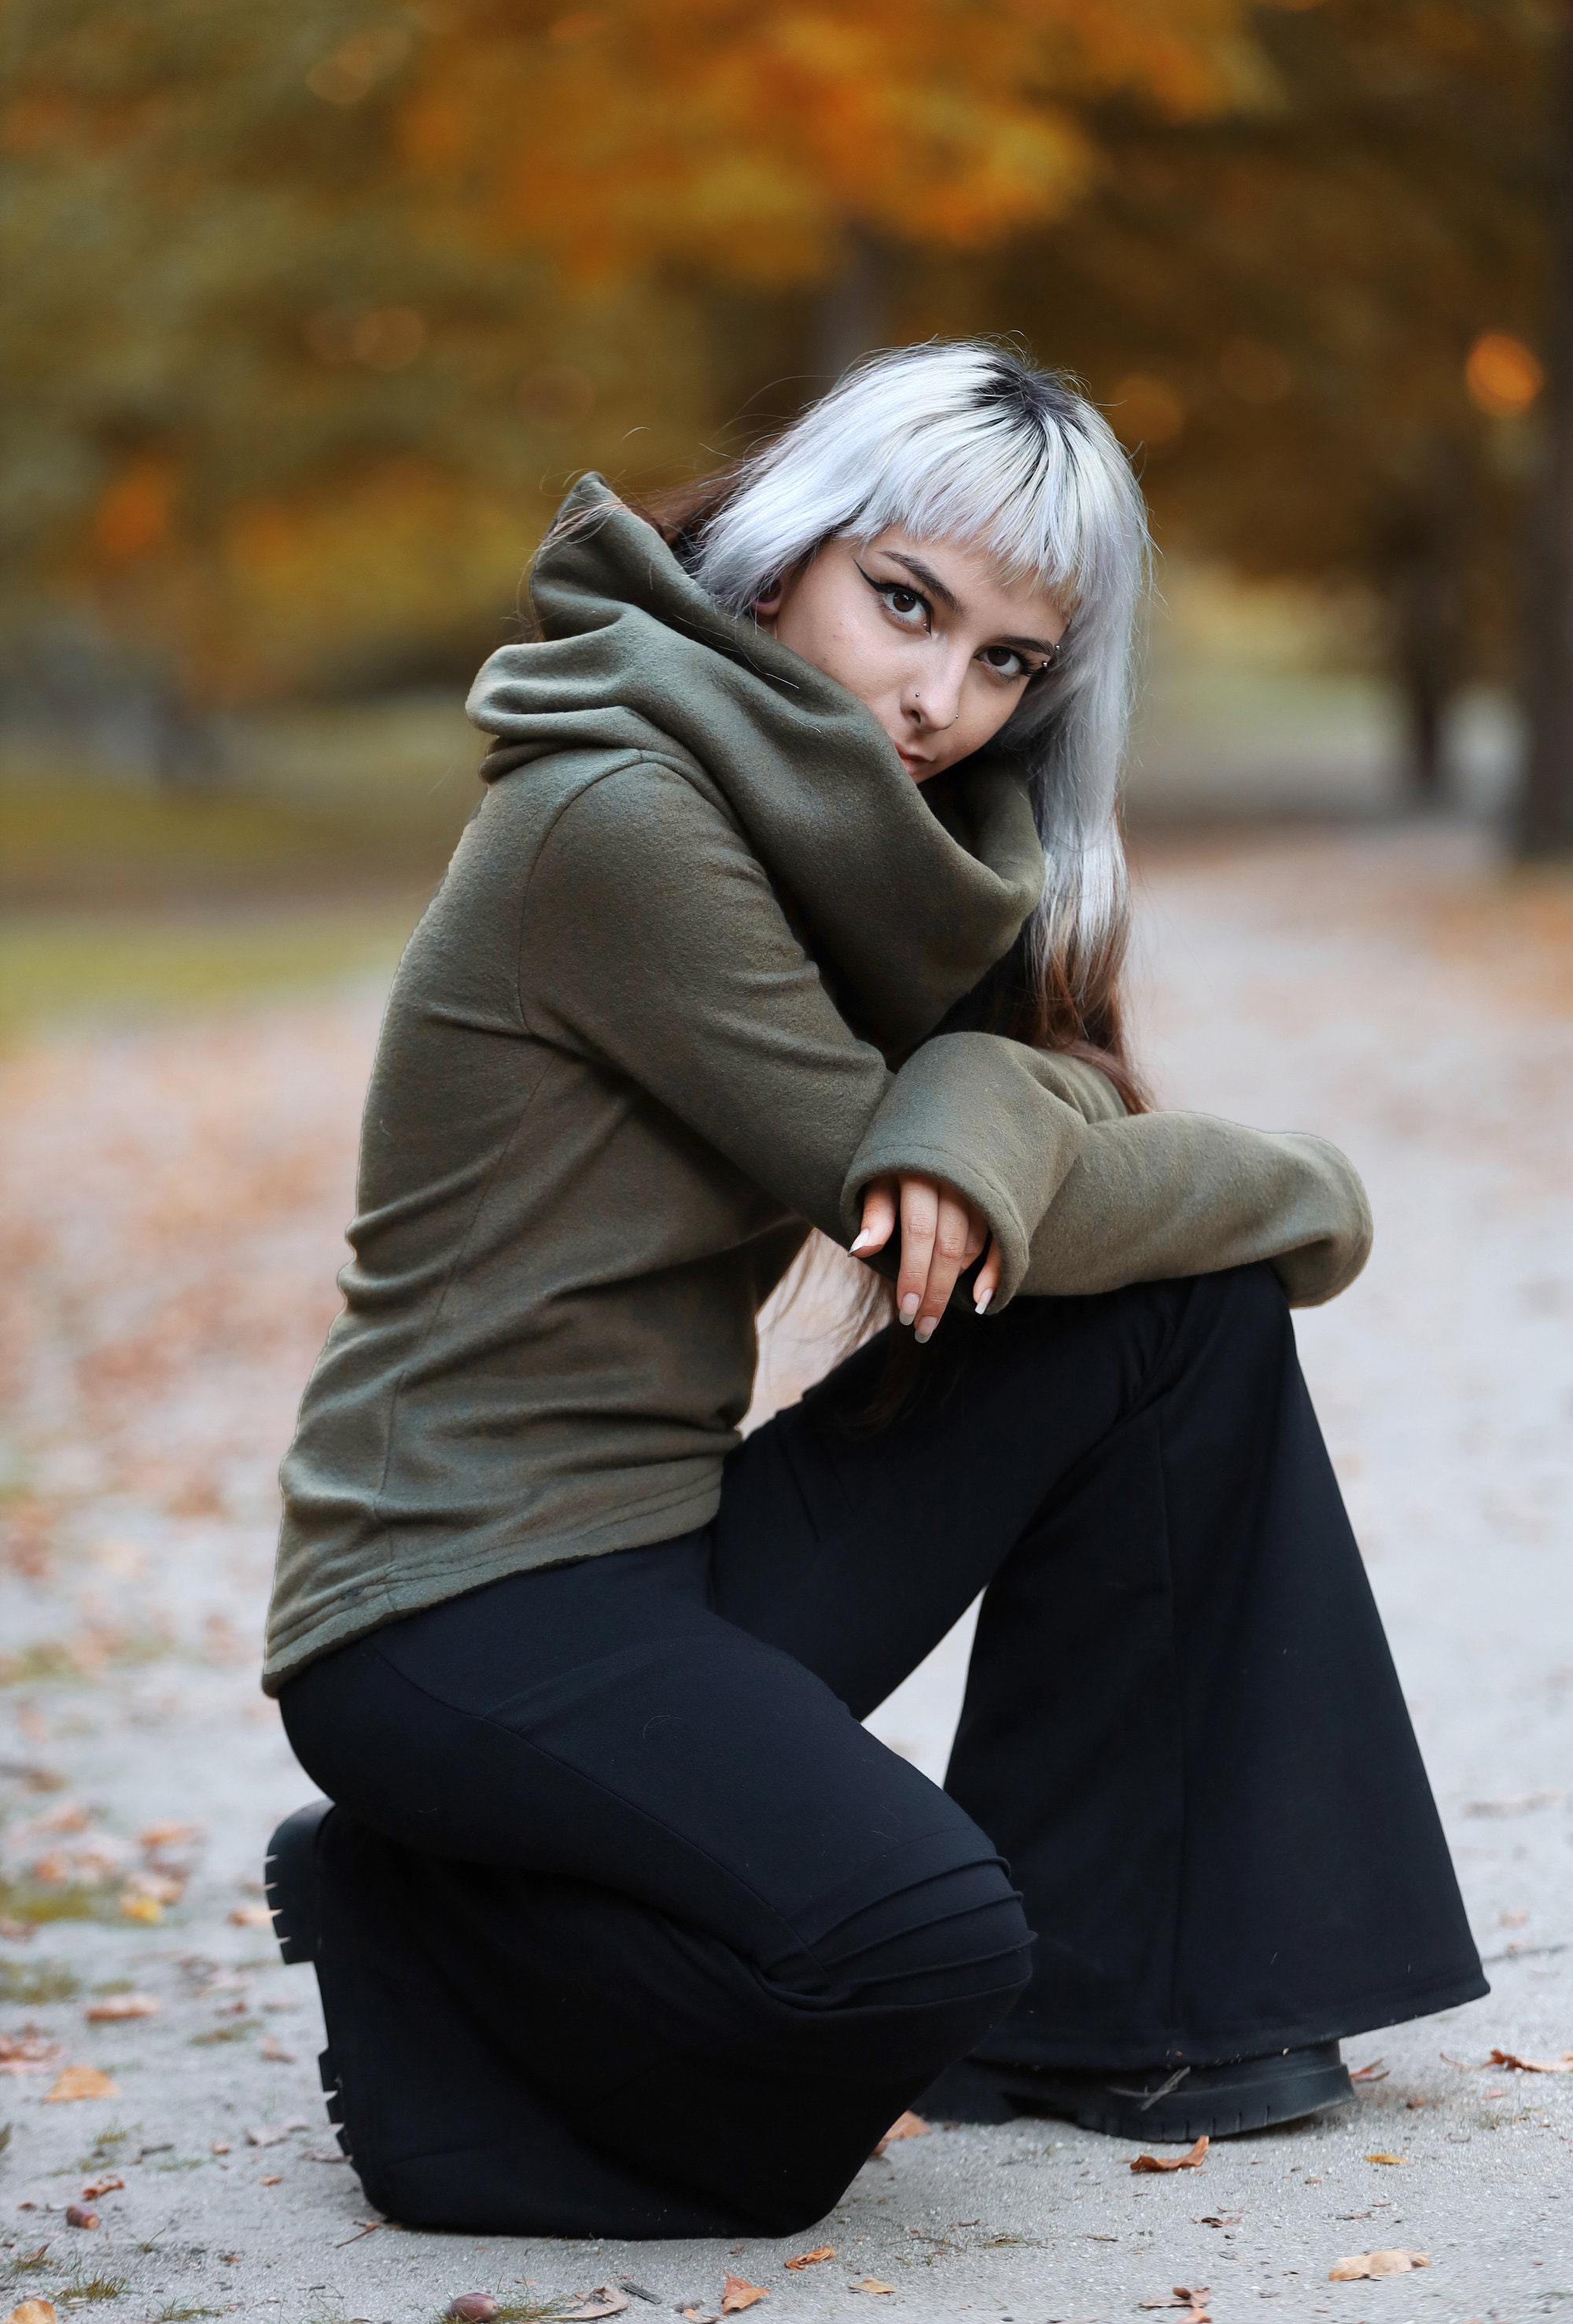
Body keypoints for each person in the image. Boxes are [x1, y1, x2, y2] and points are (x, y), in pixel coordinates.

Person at [261, 342, 1484, 2240]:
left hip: (660, 1552)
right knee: (915, 1950)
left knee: (1177, 1318)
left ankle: (1124, 2012)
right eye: (904, 604)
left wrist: (983, 1090)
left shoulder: (833, 832)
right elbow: (890, 1170)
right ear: (783, 555)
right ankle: (417, 1929)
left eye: (1006, 661)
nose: (940, 701)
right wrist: (1312, 1188)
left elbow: (1018, 1146)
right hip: (449, 1606)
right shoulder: (622, 820)